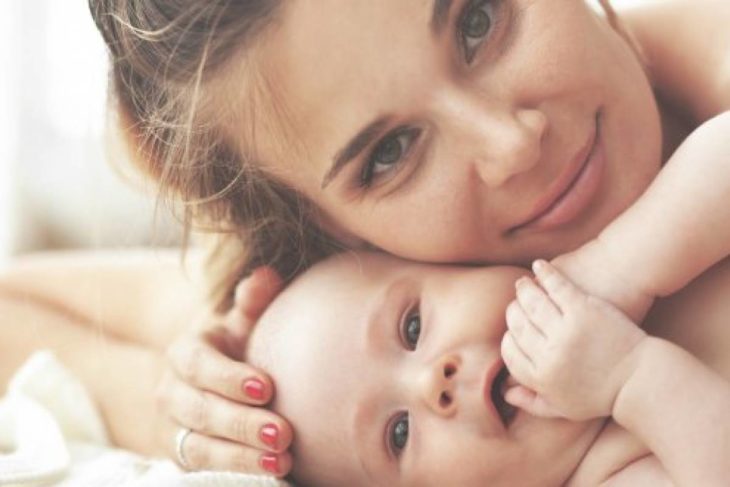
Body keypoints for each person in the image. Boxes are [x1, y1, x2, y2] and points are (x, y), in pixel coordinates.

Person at [0, 0, 725, 477]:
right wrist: (211, 414)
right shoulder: (367, 322)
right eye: (390, 153)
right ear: (323, 230)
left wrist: (621, 265)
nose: (512, 145)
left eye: (478, 20)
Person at [245, 252, 730, 486]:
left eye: (412, 328)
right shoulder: (610, 476)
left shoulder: (601, 262)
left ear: (460, 260)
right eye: (398, 434)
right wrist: (631, 377)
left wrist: (623, 258)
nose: (431, 383)